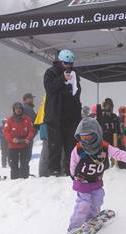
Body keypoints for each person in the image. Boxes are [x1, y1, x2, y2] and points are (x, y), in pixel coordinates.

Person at [67, 117, 126, 234]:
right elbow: (73, 162)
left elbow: (118, 154)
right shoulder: (79, 149)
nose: (86, 140)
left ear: (96, 134)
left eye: (89, 137)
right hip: (82, 181)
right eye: (83, 137)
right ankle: (74, 227)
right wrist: (73, 174)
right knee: (83, 204)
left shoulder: (105, 147)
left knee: (97, 200)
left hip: (96, 181)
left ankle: (91, 219)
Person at [43, 49, 82, 177]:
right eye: (66, 63)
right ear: (60, 62)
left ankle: (70, 169)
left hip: (71, 116)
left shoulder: (74, 73)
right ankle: (54, 170)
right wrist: (62, 79)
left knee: (71, 145)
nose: (69, 66)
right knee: (55, 145)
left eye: (70, 63)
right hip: (55, 116)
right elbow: (49, 88)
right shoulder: (50, 72)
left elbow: (77, 92)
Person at [4, 102, 35, 179]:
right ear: (14, 110)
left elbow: (31, 131)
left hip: (24, 145)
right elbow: (6, 132)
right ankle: (14, 179)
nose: (18, 110)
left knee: (24, 163)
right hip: (13, 146)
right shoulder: (9, 120)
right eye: (16, 109)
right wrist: (12, 139)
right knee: (13, 164)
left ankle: (24, 178)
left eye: (20, 109)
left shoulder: (27, 119)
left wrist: (28, 138)